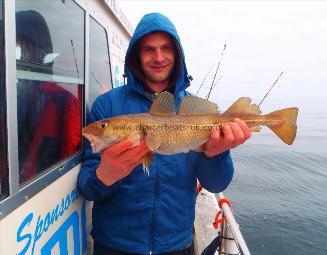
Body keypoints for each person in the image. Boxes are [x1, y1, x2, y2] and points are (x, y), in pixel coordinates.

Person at [77, 12, 251, 255]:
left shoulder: (195, 113)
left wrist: (216, 155)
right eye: (149, 49)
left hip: (177, 245)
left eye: (166, 48)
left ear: (177, 52)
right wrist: (104, 176)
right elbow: (86, 187)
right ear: (137, 54)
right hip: (115, 245)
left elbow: (216, 184)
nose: (158, 57)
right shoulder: (107, 107)